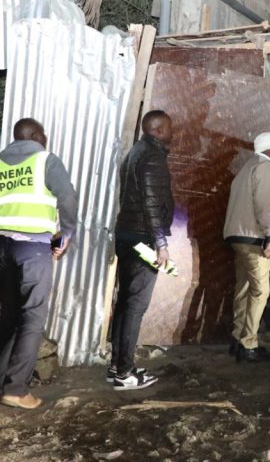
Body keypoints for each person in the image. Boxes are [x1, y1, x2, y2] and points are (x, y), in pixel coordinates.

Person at [0, 118, 78, 410]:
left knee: (8, 315)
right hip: (33, 250)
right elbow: (67, 199)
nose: (45, 139)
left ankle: (0, 382)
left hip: (4, 248)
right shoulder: (46, 161)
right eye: (42, 134)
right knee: (32, 317)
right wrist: (67, 234)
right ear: (35, 136)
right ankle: (17, 390)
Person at [107, 110, 175, 390]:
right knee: (135, 306)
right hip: (142, 238)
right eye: (170, 128)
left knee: (125, 303)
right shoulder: (152, 157)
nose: (173, 133)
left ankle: (117, 366)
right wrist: (160, 242)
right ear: (158, 129)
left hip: (127, 234)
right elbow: (151, 202)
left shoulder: (135, 152)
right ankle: (125, 374)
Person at [224, 131, 270, 363]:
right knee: (261, 291)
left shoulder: (246, 168)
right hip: (255, 239)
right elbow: (265, 204)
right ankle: (249, 344)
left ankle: (237, 338)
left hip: (238, 238)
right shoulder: (265, 167)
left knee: (244, 289)